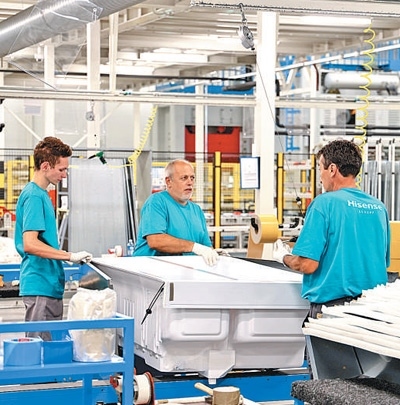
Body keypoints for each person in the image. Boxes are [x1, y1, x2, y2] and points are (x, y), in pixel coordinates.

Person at [273, 139, 390, 320]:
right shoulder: (379, 208)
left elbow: (307, 264)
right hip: (375, 312)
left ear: (333, 169)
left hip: (334, 313)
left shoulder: (323, 203)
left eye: (320, 169)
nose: (320, 177)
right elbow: (381, 262)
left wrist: (283, 257)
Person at [15, 136, 93, 340]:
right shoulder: (34, 196)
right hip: (40, 282)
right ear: (45, 166)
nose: (64, 175)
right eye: (61, 169)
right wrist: (69, 256)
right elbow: (30, 244)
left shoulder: (41, 195)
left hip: (48, 284)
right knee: (40, 348)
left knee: (51, 348)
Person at [133, 159, 219, 266]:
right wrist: (194, 247)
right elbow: (156, 241)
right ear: (169, 181)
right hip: (151, 270)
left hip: (185, 271)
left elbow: (205, 246)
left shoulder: (197, 210)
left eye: (192, 178)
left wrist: (213, 254)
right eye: (184, 178)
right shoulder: (157, 202)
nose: (190, 182)